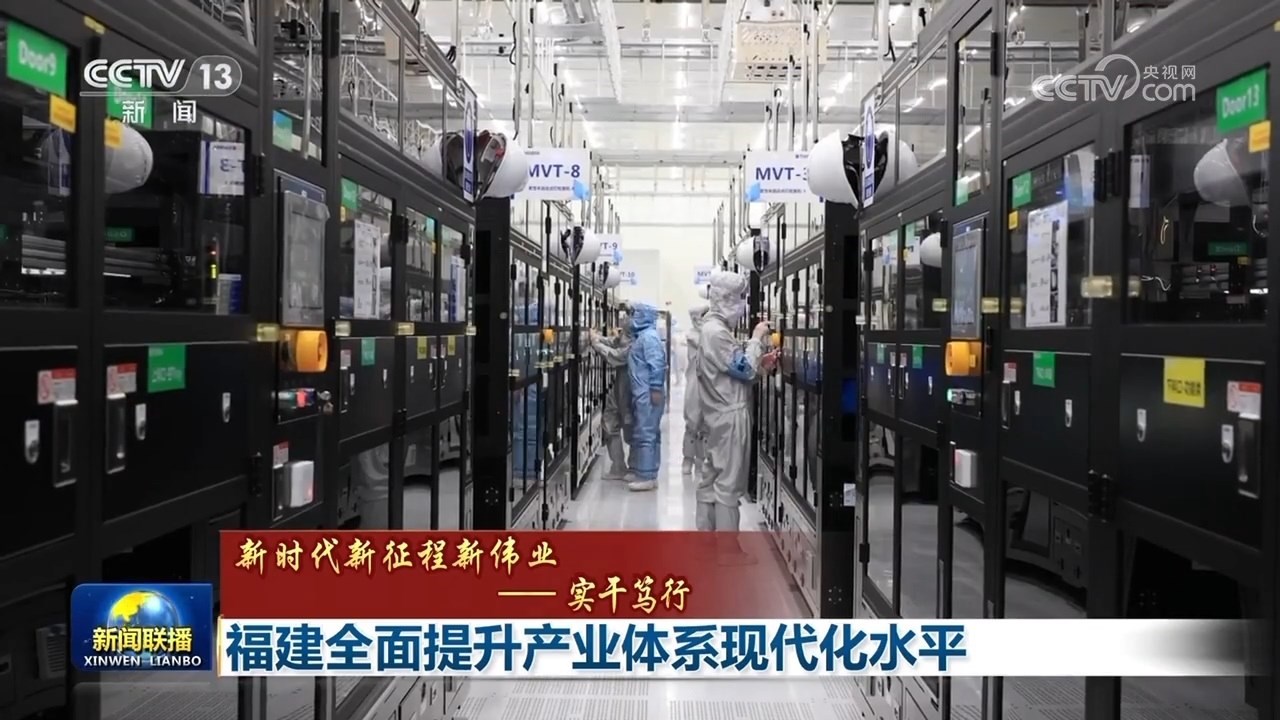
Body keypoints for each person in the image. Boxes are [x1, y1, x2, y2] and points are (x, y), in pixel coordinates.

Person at [695, 270, 776, 559]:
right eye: (741, 298)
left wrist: (762, 364)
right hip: (729, 417)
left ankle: (706, 541)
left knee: (711, 479)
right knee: (728, 484)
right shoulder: (716, 333)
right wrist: (756, 339)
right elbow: (744, 369)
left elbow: (733, 371)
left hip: (716, 415)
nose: (743, 305)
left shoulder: (712, 329)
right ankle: (728, 552)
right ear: (727, 299)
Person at [587, 305, 635, 481]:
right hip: (620, 386)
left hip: (629, 388)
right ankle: (619, 466)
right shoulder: (628, 334)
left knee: (630, 429)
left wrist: (596, 344)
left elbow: (617, 356)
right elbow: (615, 342)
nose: (624, 318)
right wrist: (597, 338)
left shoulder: (638, 338)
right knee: (610, 422)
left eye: (629, 315)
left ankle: (633, 468)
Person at [624, 303, 668, 492]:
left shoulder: (649, 337)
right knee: (645, 432)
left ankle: (646, 476)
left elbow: (657, 364)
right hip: (642, 392)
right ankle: (643, 470)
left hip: (648, 393)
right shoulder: (642, 336)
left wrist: (656, 387)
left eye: (634, 314)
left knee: (646, 433)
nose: (631, 318)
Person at [682, 304, 709, 476]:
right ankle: (688, 459)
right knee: (692, 423)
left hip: (709, 384)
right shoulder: (693, 336)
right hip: (695, 384)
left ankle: (701, 459)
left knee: (706, 425)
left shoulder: (709, 335)